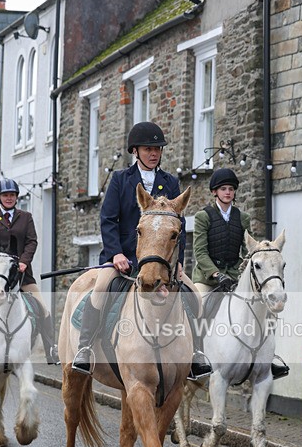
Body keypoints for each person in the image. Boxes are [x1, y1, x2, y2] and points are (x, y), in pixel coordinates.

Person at [72, 121, 211, 379]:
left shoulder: (170, 182)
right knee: (100, 290)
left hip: (161, 262)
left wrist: (177, 262)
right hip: (123, 258)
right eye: (148, 149)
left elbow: (177, 227)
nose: (154, 153)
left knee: (194, 296)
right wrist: (115, 253)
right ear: (135, 151)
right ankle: (85, 348)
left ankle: (197, 354)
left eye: (157, 149)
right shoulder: (120, 180)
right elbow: (108, 220)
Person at [192, 168, 289, 379]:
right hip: (208, 277)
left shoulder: (242, 218)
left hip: (235, 275)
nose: (228, 192)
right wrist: (216, 274)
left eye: (231, 189)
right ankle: (196, 355)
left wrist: (254, 262)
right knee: (197, 304)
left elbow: (247, 250)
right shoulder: (203, 217)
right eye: (223, 189)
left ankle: (270, 356)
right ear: (215, 192)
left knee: (265, 303)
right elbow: (200, 252)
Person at [0, 177, 60, 364]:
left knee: (43, 309)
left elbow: (32, 241)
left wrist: (23, 262)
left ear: (17, 197)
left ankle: (51, 350)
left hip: (22, 275)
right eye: (5, 195)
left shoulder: (26, 217)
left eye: (12, 195)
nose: (9, 198)